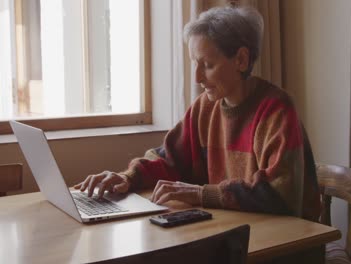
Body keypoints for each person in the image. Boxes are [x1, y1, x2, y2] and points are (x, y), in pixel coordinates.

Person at [74, 6, 321, 221]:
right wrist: (126, 178)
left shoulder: (276, 109)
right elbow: (168, 158)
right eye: (195, 63)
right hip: (237, 231)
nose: (197, 78)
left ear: (242, 60)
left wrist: (202, 194)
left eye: (208, 65)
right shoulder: (206, 106)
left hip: (288, 243)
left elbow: (280, 194)